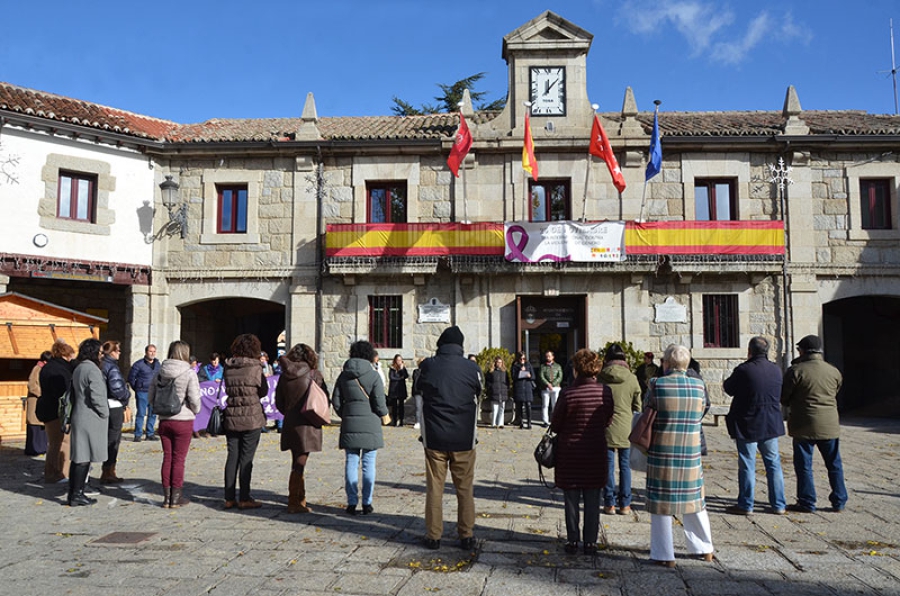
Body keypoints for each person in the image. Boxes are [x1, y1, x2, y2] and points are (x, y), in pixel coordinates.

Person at [645, 344, 714, 567]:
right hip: (690, 450)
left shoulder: (656, 384)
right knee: (695, 501)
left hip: (663, 450)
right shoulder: (699, 385)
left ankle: (664, 554)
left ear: (666, 363)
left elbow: (648, 410)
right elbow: (703, 410)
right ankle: (704, 548)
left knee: (661, 504)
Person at [417, 325, 483, 551]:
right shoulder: (472, 368)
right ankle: (466, 534)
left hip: (435, 436)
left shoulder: (427, 366)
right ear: (461, 346)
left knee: (435, 487)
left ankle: (433, 535)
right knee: (465, 488)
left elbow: (418, 394)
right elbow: (479, 394)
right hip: (464, 437)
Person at [551, 348, 614, 555]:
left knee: (571, 498)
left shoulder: (568, 393)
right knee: (593, 497)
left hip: (570, 452)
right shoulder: (605, 392)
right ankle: (590, 541)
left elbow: (556, 424)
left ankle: (572, 540)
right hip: (595, 450)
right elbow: (607, 419)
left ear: (576, 369)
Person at [781, 334, 847, 513]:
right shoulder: (833, 370)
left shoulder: (796, 371)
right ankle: (839, 500)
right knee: (834, 464)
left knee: (804, 466)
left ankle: (807, 501)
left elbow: (784, 397)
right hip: (829, 423)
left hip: (804, 424)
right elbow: (836, 391)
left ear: (801, 351)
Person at [723, 336, 786, 515]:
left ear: (750, 351)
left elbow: (729, 388)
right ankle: (779, 504)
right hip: (771, 423)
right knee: (773, 464)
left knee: (747, 464)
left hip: (748, 423)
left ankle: (746, 504)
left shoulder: (744, 370)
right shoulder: (776, 370)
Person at [332, 340, 389, 515]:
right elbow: (379, 403)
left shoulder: (343, 375)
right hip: (371, 422)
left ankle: (351, 502)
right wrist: (384, 415)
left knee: (351, 462)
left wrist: (346, 414)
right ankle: (367, 502)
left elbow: (335, 401)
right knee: (368, 463)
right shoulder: (373, 376)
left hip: (349, 422)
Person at [275, 343, 327, 514]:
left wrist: (290, 413)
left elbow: (279, 403)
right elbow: (324, 400)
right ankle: (293, 501)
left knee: (296, 461)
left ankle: (300, 498)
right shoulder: (314, 375)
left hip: (291, 423)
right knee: (300, 463)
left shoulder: (284, 376)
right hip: (308, 422)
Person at [148, 340, 201, 508]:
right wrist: (196, 410)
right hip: (183, 419)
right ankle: (176, 498)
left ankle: (166, 497)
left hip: (164, 420)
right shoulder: (189, 373)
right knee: (179, 459)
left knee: (167, 458)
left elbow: (151, 397)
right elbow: (194, 399)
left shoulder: (160, 372)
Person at [221, 334, 269, 510]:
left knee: (232, 456)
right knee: (246, 458)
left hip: (232, 414)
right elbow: (263, 391)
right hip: (251, 416)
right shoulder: (256, 368)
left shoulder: (228, 367)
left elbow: (227, 388)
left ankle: (228, 497)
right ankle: (244, 497)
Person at [599, 344, 642, 515]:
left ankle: (609, 503)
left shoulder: (601, 377)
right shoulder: (631, 378)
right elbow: (637, 405)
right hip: (626, 426)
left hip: (606, 425)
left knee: (608, 466)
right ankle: (625, 504)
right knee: (625, 466)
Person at [67, 338, 109, 506]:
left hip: (81, 415)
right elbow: (97, 395)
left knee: (79, 456)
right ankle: (77, 494)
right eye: (100, 353)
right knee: (83, 457)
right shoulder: (91, 370)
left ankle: (75, 493)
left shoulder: (79, 367)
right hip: (90, 417)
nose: (101, 356)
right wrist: (105, 413)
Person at [37, 340, 76, 483]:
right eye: (71, 354)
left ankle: (53, 473)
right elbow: (62, 391)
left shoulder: (50, 367)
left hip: (48, 408)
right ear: (65, 354)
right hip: (55, 410)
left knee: (54, 443)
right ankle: (58, 473)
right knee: (60, 443)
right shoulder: (58, 369)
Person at [99, 341, 131, 484]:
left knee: (111, 438)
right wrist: (126, 396)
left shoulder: (101, 364)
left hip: (106, 404)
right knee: (113, 440)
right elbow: (117, 389)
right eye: (117, 350)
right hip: (114, 405)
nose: (119, 352)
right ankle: (108, 471)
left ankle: (109, 470)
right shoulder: (111, 366)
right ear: (111, 352)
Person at [128, 344, 160, 442]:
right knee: (141, 414)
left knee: (153, 414)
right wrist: (137, 388)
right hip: (142, 392)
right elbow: (131, 378)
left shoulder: (158, 364)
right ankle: (138, 434)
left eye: (154, 351)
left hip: (154, 392)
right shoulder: (138, 364)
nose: (152, 353)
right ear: (146, 352)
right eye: (150, 351)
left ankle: (150, 433)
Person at [24, 351, 51, 456]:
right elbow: (31, 385)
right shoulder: (36, 369)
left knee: (40, 428)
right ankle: (35, 449)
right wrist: (41, 394)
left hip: (40, 402)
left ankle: (40, 448)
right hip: (35, 402)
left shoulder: (42, 369)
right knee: (34, 427)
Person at [510, 351, 535, 429]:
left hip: (527, 387)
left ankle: (529, 422)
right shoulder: (515, 365)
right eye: (521, 359)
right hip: (519, 387)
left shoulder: (528, 365)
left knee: (528, 405)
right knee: (519, 406)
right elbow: (513, 376)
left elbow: (533, 376)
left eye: (524, 358)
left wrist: (529, 375)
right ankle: (520, 422)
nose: (522, 360)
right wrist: (520, 372)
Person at [539, 351, 562, 427]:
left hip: (555, 388)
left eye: (549, 356)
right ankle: (545, 421)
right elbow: (541, 376)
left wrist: (553, 384)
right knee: (545, 405)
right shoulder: (543, 366)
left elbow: (560, 376)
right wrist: (547, 384)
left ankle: (554, 421)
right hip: (545, 388)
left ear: (553, 357)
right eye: (546, 356)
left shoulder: (558, 366)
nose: (548, 357)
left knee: (555, 405)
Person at [486, 356, 509, 428]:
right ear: (495, 363)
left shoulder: (504, 372)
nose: (499, 364)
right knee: (495, 409)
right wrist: (491, 388)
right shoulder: (491, 372)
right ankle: (494, 423)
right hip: (494, 392)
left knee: (502, 409)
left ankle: (500, 423)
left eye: (500, 362)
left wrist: (506, 388)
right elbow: (487, 382)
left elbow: (507, 381)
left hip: (503, 392)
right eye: (498, 362)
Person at [387, 354, 409, 426]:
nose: (399, 362)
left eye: (400, 360)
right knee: (394, 405)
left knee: (401, 405)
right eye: (397, 360)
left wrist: (402, 369)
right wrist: (400, 378)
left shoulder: (403, 368)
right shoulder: (392, 368)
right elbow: (392, 377)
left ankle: (401, 420)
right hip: (394, 389)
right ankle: (395, 420)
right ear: (395, 361)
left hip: (401, 389)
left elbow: (406, 376)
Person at [411, 358, 425, 430]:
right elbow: (416, 379)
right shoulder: (416, 371)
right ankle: (418, 421)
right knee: (418, 407)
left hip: (425, 392)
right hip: (418, 392)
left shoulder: (427, 371)